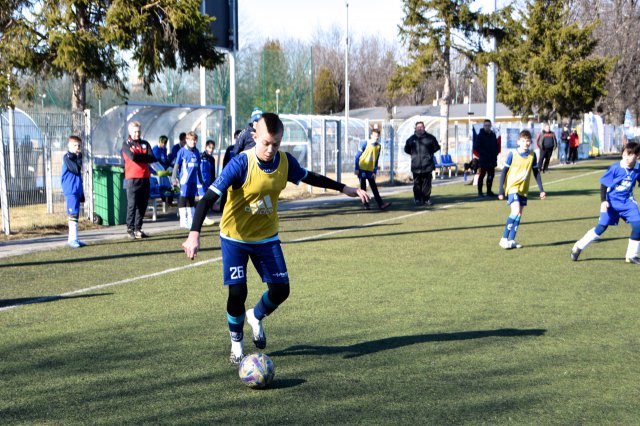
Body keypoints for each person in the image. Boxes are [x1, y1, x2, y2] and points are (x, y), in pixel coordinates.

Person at [181, 113, 370, 365]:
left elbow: (309, 176)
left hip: (266, 237)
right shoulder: (240, 164)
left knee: (281, 290)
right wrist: (194, 234)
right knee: (238, 292)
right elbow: (207, 199)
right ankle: (236, 345)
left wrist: (344, 188)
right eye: (266, 143)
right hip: (235, 237)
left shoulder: (284, 162)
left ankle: (256, 316)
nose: (271, 149)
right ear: (254, 136)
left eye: (277, 144)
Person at [571, 142, 640, 264]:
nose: (626, 158)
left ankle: (631, 255)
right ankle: (578, 246)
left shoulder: (637, 168)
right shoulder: (616, 168)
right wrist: (603, 201)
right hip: (611, 203)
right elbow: (603, 185)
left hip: (628, 203)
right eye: (624, 154)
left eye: (630, 155)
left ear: (638, 155)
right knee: (601, 228)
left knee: (638, 226)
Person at [497, 129, 546, 249]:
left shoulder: (532, 155)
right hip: (512, 187)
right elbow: (504, 172)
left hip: (523, 189)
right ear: (518, 141)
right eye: (523, 140)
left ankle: (512, 240)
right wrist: (501, 190)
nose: (526, 143)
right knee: (515, 211)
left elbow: (536, 173)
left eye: (528, 140)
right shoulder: (512, 154)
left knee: (519, 214)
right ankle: (504, 239)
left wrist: (541, 190)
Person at [122, 121, 156, 239]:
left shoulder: (145, 144)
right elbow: (132, 157)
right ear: (130, 132)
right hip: (132, 178)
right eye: (135, 131)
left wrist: (141, 157)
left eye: (139, 131)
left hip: (145, 178)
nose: (137, 134)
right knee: (132, 204)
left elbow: (152, 158)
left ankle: (138, 228)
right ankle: (130, 228)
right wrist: (144, 158)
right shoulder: (126, 144)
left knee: (142, 205)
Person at [404, 121, 440, 206]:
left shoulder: (431, 138)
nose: (420, 128)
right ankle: (417, 199)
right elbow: (407, 149)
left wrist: (428, 155)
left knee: (426, 183)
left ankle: (426, 199)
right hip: (415, 165)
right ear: (415, 128)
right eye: (418, 127)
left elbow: (436, 147)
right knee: (417, 184)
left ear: (424, 128)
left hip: (427, 165)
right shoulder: (411, 139)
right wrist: (414, 156)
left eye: (421, 127)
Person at [354, 128, 392, 210]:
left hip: (370, 170)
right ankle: (366, 204)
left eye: (378, 136)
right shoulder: (365, 144)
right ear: (371, 135)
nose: (376, 137)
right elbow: (357, 156)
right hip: (362, 168)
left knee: (374, 187)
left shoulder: (378, 146)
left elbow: (376, 159)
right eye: (375, 135)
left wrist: (375, 171)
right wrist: (356, 168)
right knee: (363, 187)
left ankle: (381, 204)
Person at [172, 131, 202, 229]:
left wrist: (200, 178)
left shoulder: (197, 152)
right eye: (191, 140)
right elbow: (176, 165)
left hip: (193, 181)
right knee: (183, 198)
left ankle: (191, 220)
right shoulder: (182, 151)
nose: (193, 142)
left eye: (195, 140)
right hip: (184, 180)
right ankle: (183, 221)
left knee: (191, 200)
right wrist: (173, 177)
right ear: (187, 140)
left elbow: (198, 167)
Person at [61, 135, 86, 248]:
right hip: (70, 189)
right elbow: (76, 169)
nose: (77, 147)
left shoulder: (77, 157)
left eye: (79, 145)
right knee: (73, 214)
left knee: (75, 214)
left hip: (76, 189)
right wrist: (79, 158)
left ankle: (74, 238)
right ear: (69, 146)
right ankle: (72, 239)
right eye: (75, 145)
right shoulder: (67, 157)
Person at [473, 119, 501, 197]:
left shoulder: (493, 135)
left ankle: (489, 191)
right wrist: (484, 154)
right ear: (483, 126)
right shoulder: (480, 135)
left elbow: (496, 145)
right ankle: (480, 192)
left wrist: (495, 153)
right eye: (486, 125)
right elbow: (476, 147)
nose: (487, 127)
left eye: (489, 125)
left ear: (491, 126)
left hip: (492, 159)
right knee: (482, 175)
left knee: (491, 175)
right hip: (484, 160)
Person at [219, 129, 243, 212]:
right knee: (226, 192)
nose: (238, 139)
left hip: (240, 175)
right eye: (237, 137)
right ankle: (222, 209)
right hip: (230, 173)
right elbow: (225, 161)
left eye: (240, 137)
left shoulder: (244, 148)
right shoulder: (230, 149)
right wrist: (223, 173)